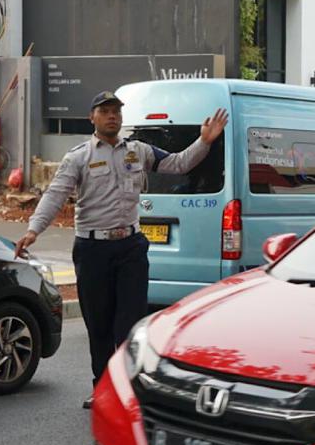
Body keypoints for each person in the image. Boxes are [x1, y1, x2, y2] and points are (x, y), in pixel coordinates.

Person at [14, 91, 228, 407]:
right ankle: (102, 387)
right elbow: (55, 195)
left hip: (130, 247)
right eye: (105, 111)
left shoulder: (138, 151)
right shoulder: (79, 157)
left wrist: (204, 142)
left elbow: (178, 164)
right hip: (92, 250)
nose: (112, 115)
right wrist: (33, 230)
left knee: (128, 325)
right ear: (92, 118)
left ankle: (128, 388)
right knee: (99, 324)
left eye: (116, 110)